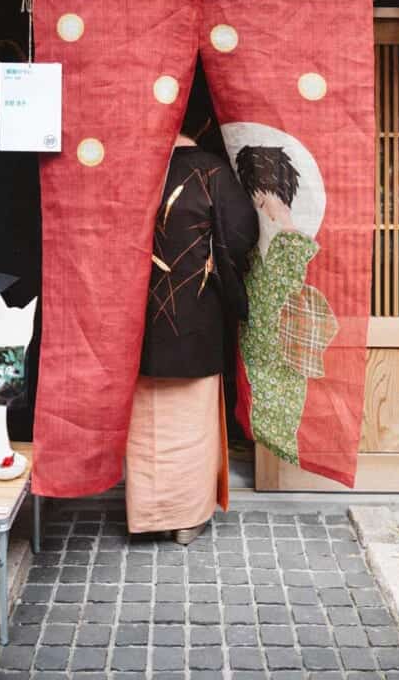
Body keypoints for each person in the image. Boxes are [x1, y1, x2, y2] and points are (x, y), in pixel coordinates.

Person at [125, 108, 258, 544]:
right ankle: (186, 520)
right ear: (198, 124)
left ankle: (147, 514)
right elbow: (240, 233)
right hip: (195, 313)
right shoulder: (211, 170)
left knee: (146, 420)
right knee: (191, 420)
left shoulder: (135, 166)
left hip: (135, 313)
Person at [235, 144, 338, 466]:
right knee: (276, 395)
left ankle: (278, 448)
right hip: (273, 331)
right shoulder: (283, 232)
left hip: (277, 332)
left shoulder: (285, 236)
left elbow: (282, 282)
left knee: (279, 396)